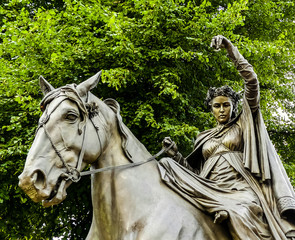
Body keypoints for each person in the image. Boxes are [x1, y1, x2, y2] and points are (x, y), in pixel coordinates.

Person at [158, 35, 295, 240]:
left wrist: (230, 49)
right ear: (210, 109)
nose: (221, 110)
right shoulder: (203, 137)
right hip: (208, 186)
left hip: (240, 188)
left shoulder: (243, 123)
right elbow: (195, 172)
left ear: (233, 106)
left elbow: (252, 81)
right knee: (166, 164)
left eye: (226, 105)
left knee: (241, 210)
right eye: (216, 106)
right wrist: (177, 156)